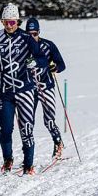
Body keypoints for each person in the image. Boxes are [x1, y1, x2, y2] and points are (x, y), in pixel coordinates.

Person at [0, 5, 48, 175]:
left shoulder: (26, 38)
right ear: (2, 22)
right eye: (5, 22)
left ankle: (28, 163)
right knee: (6, 128)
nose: (9, 26)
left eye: (12, 22)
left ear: (18, 21)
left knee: (26, 128)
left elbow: (42, 58)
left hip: (25, 90)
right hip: (5, 92)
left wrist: (35, 63)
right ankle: (8, 159)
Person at [25, 18, 67, 159]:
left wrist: (55, 67)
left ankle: (58, 142)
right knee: (28, 121)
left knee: (48, 120)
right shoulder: (22, 47)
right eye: (29, 33)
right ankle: (28, 156)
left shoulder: (48, 45)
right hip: (29, 89)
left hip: (46, 86)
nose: (32, 36)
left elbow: (61, 64)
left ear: (39, 32)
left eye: (35, 33)